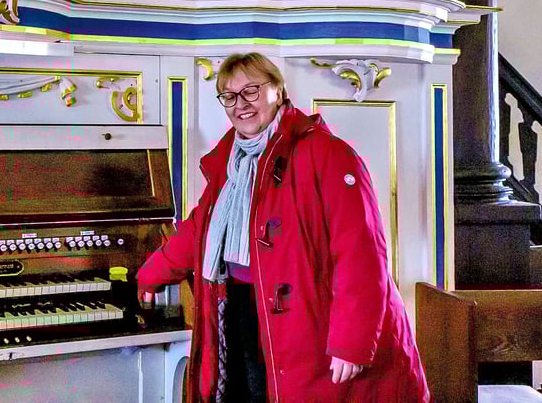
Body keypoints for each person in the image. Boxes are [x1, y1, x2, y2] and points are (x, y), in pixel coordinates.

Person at [137, 53, 429, 402]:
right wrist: (149, 274)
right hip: (242, 310)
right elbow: (199, 229)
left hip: (312, 321)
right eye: (229, 97)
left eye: (251, 91)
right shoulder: (231, 162)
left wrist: (352, 341)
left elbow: (361, 253)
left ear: (278, 90)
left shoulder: (327, 153)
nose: (240, 105)